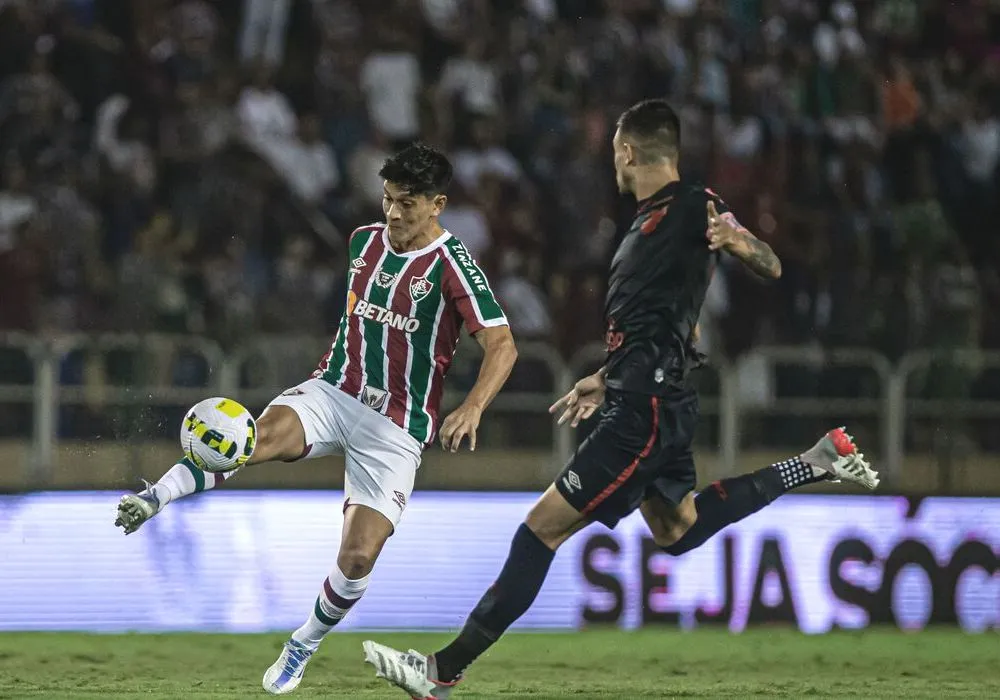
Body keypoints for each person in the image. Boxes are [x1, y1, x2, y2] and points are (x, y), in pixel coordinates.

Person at [362, 99, 879, 699]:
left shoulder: (692, 207)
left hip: (645, 412)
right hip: (647, 394)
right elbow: (662, 320)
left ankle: (441, 672)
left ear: (628, 152)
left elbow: (771, 264)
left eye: (614, 151)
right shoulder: (649, 219)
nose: (613, 160)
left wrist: (741, 242)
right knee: (677, 527)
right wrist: (607, 375)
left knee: (539, 531)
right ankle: (815, 462)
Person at [112, 144, 518, 695]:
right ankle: (153, 497)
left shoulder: (453, 266)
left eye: (408, 204)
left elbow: (502, 345)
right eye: (388, 199)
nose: (394, 214)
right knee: (246, 438)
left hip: (395, 427)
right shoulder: (362, 243)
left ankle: (303, 641)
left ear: (438, 205)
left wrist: (473, 406)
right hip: (333, 391)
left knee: (356, 558)